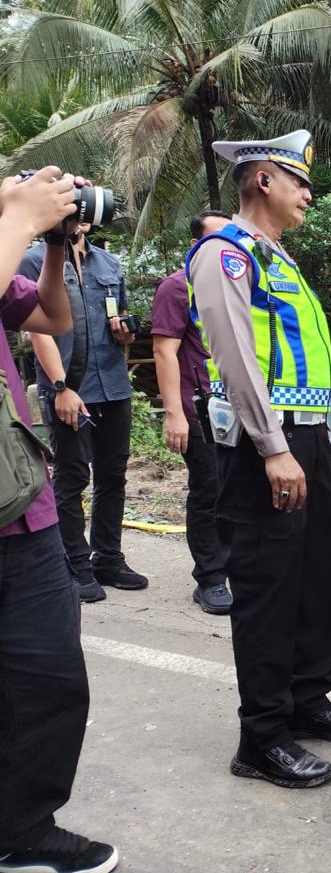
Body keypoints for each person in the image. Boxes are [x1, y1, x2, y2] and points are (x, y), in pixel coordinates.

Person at [187, 130, 331, 789]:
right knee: (268, 588)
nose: (309, 194)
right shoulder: (226, 255)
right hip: (265, 443)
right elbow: (236, 358)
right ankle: (262, 737)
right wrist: (273, 446)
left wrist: (320, 450)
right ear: (263, 179)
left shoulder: (278, 258)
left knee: (317, 576)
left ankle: (306, 699)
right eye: (300, 180)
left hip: (307, 441)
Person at [0, 166, 117, 873]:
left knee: (50, 678)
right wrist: (19, 216)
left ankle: (23, 830)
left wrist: (49, 243)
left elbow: (53, 320)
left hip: (22, 508)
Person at [20, 221, 144, 603]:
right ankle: (75, 565)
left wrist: (124, 331)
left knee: (113, 476)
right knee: (72, 476)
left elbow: (121, 319)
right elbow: (38, 330)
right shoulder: (36, 259)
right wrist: (61, 387)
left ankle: (108, 558)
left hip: (112, 384)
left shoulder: (109, 263)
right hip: (69, 388)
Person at [153, 210, 234, 615]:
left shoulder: (237, 285)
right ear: (194, 246)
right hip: (197, 409)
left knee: (236, 490)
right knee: (209, 491)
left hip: (237, 410)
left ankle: (234, 566)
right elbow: (163, 351)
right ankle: (211, 578)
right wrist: (174, 414)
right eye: (215, 238)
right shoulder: (176, 287)